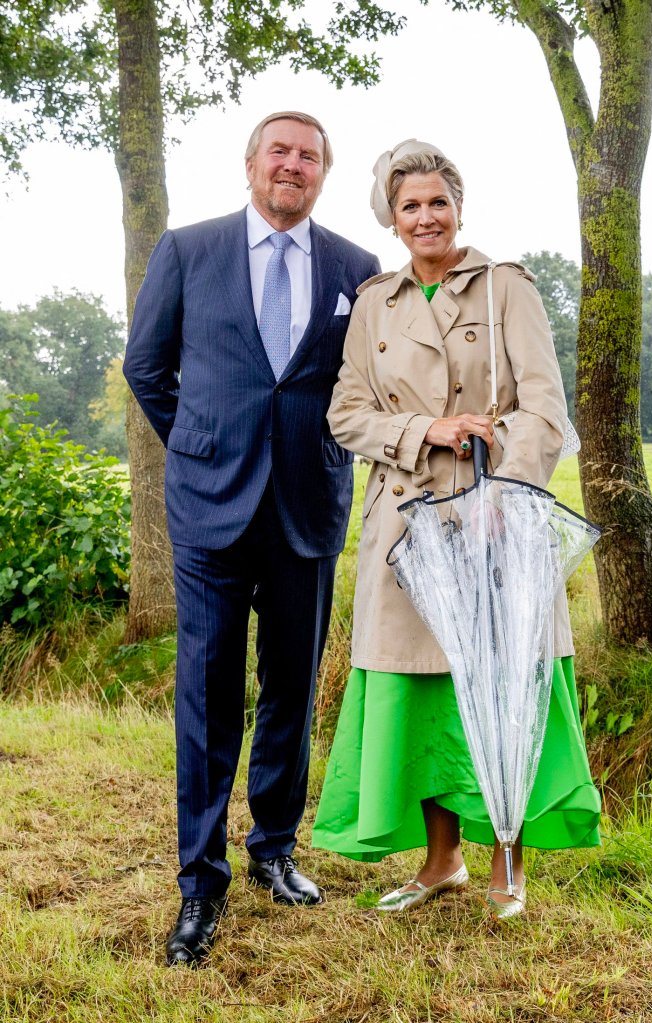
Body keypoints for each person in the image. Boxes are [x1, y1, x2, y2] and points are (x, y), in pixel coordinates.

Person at [312, 140, 600, 919]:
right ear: (391, 217)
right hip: (406, 522)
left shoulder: (507, 286)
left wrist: (510, 489)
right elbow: (345, 413)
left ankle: (508, 861)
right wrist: (424, 430)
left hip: (495, 513)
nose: (425, 216)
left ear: (459, 207)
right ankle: (441, 862)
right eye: (409, 205)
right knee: (421, 686)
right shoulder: (374, 302)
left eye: (438, 201)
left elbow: (544, 405)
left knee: (502, 681)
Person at [123, 111, 380, 965]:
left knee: (291, 690)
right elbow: (146, 366)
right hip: (209, 508)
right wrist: (199, 444)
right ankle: (200, 883)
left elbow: (367, 383)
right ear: (250, 163)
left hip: (308, 505)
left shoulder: (356, 268)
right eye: (280, 150)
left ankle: (273, 847)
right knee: (206, 694)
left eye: (309, 156)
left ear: (323, 174)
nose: (293, 165)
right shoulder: (187, 250)